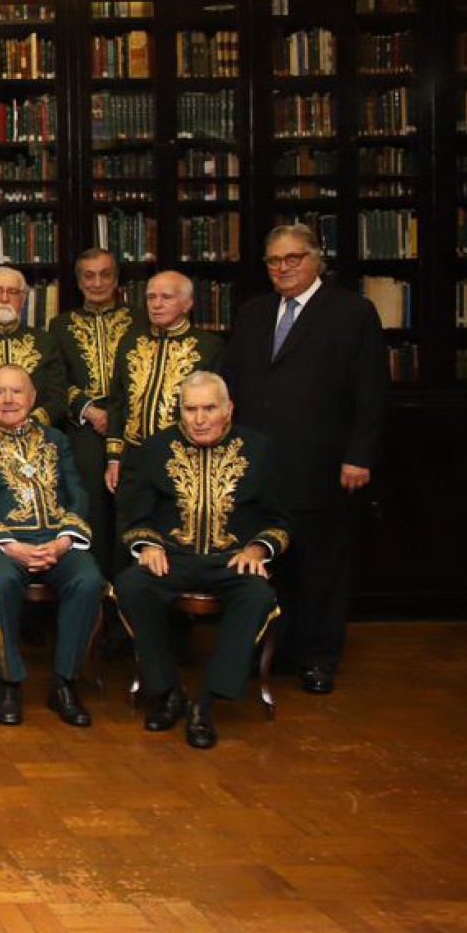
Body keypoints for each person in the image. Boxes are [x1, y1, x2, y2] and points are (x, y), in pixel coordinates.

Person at [222, 223, 388, 695]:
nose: (283, 268)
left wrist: (360, 455)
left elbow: (372, 392)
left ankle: (318, 656)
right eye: (274, 261)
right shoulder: (254, 312)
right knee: (269, 563)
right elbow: (230, 378)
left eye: (293, 258)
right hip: (259, 465)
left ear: (318, 259)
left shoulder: (352, 312)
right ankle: (275, 649)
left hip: (323, 463)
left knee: (321, 566)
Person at [115, 371, 290, 750]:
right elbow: (135, 518)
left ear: (228, 410)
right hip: (173, 558)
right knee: (131, 585)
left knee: (258, 596)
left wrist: (257, 550)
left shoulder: (258, 448)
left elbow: (279, 522)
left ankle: (205, 703)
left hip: (232, 561)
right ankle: (167, 690)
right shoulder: (157, 448)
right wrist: (147, 545)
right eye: (190, 409)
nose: (199, 419)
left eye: (209, 408)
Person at [0, 366, 102, 727]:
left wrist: (64, 540)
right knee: (0, 584)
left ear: (32, 398)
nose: (8, 400)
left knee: (89, 581)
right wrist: (12, 546)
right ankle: (8, 682)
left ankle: (64, 683)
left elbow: (77, 494)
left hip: (58, 540)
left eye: (16, 392)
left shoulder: (56, 439)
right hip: (3, 545)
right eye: (0, 393)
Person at [49, 249, 135, 572]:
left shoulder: (138, 320)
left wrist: (117, 414)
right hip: (85, 428)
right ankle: (94, 588)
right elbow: (55, 380)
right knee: (92, 507)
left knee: (129, 506)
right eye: (89, 275)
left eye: (105, 274)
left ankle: (127, 589)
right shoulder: (60, 325)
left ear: (116, 279)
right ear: (79, 281)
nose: (97, 282)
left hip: (130, 427)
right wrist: (89, 409)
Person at [105, 270, 224, 492]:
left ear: (187, 303)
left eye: (166, 297)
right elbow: (117, 402)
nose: (156, 304)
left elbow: (218, 410)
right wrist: (113, 458)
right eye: (151, 297)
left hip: (185, 458)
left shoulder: (209, 346)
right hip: (133, 457)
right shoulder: (130, 341)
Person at [0, 266, 68, 433]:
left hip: (36, 439)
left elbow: (58, 397)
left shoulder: (45, 342)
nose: (4, 298)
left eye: (13, 292)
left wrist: (30, 424)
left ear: (23, 299)